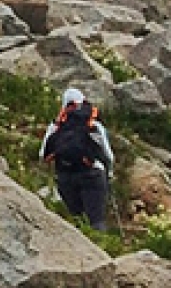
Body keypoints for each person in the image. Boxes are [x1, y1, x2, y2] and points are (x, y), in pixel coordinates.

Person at [40, 88, 115, 229]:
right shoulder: (93, 124)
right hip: (92, 173)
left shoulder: (56, 125)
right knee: (96, 219)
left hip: (65, 175)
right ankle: (102, 246)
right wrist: (109, 173)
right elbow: (108, 155)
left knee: (77, 220)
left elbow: (42, 153)